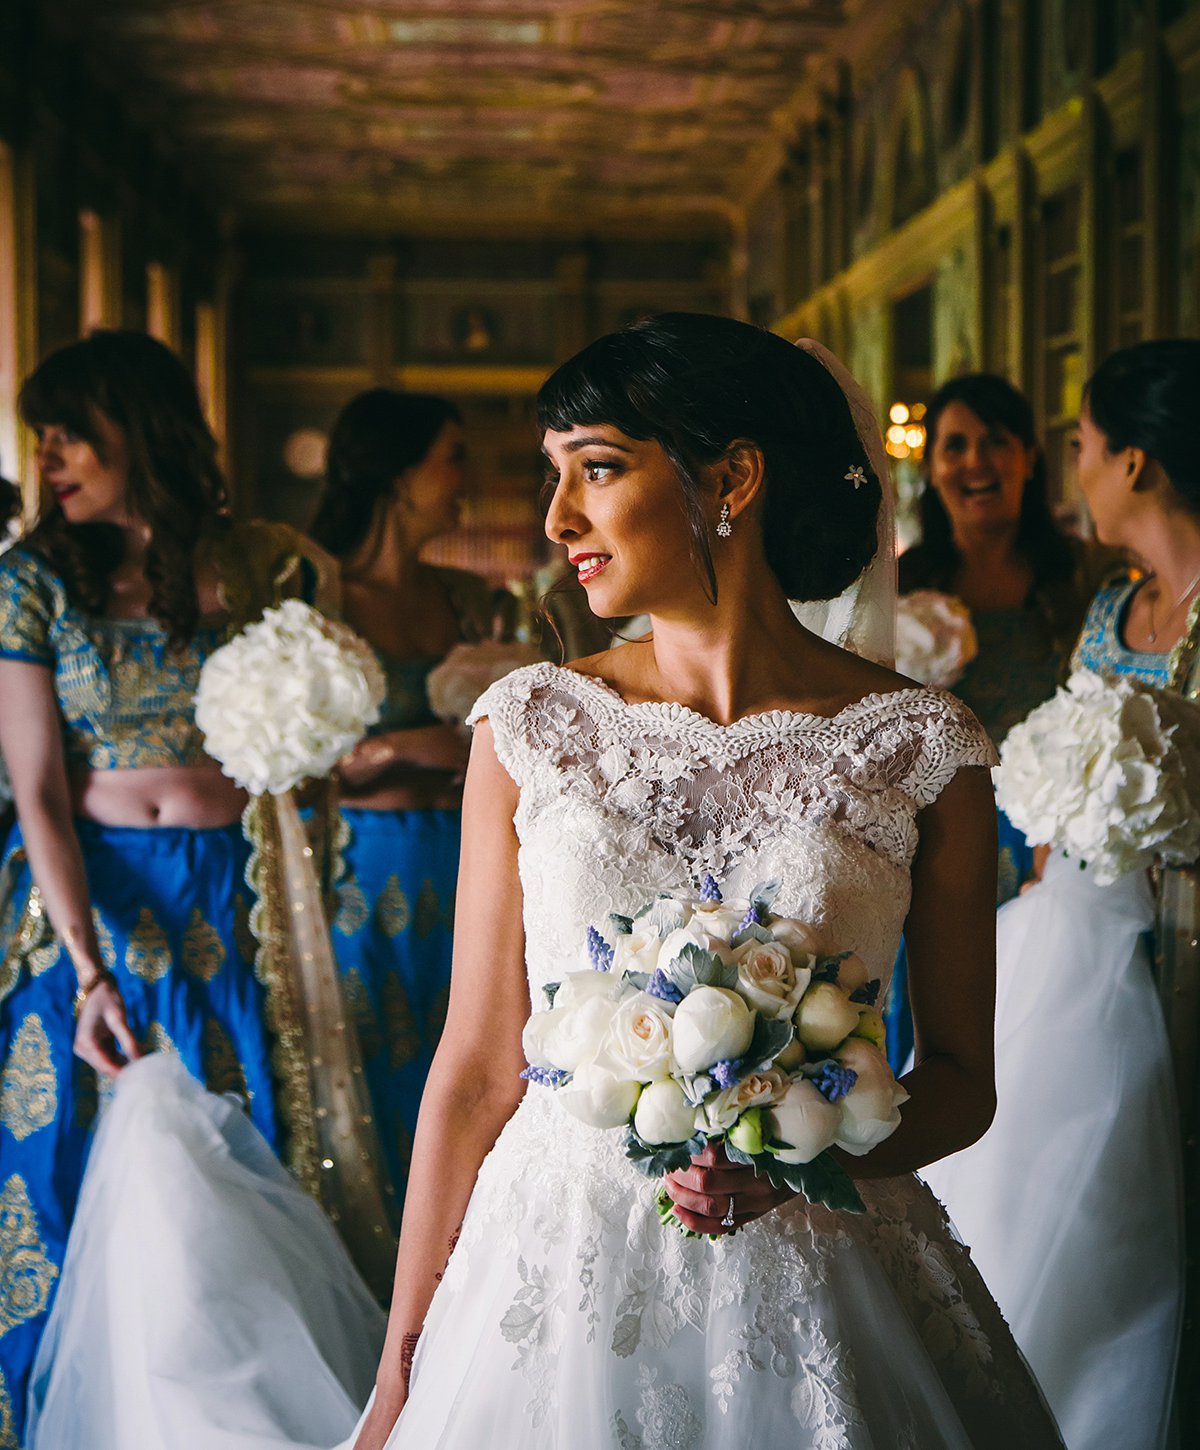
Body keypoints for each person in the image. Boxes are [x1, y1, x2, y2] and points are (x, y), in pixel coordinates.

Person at [27, 316, 1062, 1450]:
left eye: (598, 470)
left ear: (734, 477)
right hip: (554, 1279)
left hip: (831, 1277)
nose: (557, 518)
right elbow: (475, 1069)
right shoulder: (531, 726)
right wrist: (400, 1371)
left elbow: (962, 1081)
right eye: (552, 477)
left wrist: (814, 1153)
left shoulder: (921, 745)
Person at [0, 330, 371, 1440]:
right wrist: (88, 968)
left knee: (252, 1166)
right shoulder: (30, 584)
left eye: (74, 431)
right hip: (98, 902)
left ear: (142, 429)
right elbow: (37, 792)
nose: (51, 456)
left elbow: (314, 751)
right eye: (41, 437)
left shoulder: (266, 564)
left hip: (238, 895)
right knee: (78, 1190)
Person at [923, 339, 1199, 1450]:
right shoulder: (1114, 605)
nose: (1076, 461)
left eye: (1079, 443)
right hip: (1075, 938)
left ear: (1134, 463)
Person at [887, 375, 1117, 1069]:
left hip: (1056, 848)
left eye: (996, 442)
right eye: (954, 446)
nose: (976, 462)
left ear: (1028, 459)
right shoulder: (902, 584)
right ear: (930, 470)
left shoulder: (1085, 577)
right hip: (938, 841)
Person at [310, 390, 493, 1205]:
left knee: (471, 1055)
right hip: (358, 872)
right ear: (396, 470)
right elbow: (311, 760)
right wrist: (426, 750)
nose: (466, 476)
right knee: (374, 1059)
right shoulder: (315, 596)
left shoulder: (468, 598)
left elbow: (509, 738)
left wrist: (394, 749)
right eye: (451, 455)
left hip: (468, 857)